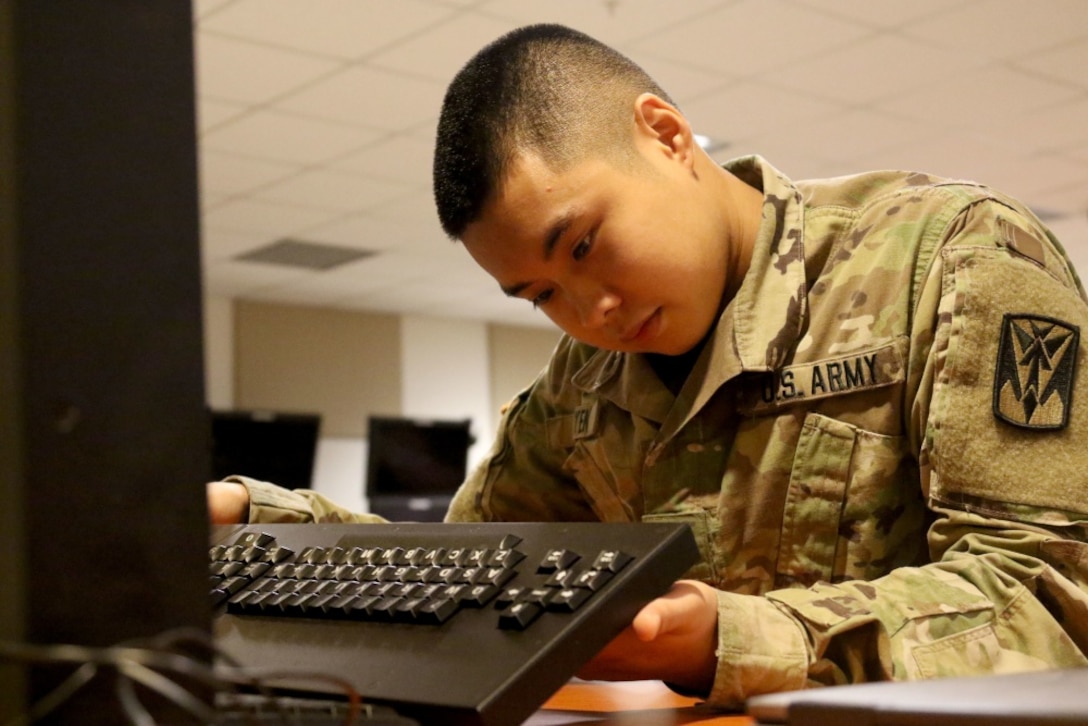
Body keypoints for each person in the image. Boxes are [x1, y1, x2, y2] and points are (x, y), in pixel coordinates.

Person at [207, 23, 1088, 708]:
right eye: (540, 293)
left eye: (585, 243)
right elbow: (471, 566)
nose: (590, 312)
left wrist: (727, 640)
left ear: (665, 134)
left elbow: (1051, 595)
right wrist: (273, 525)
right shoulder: (583, 381)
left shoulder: (952, 257)